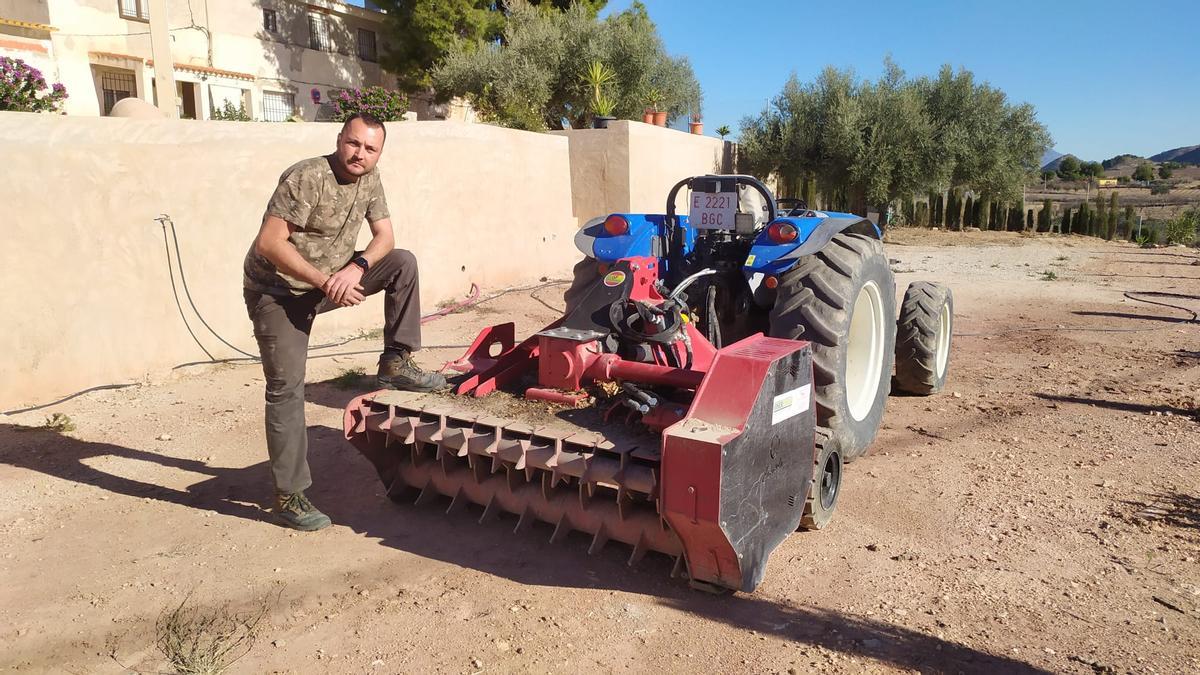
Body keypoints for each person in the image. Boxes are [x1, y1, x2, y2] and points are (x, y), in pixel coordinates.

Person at [242, 113, 446, 532]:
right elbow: (269, 242)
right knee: (286, 389)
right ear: (340, 140)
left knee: (401, 262)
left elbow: (384, 237)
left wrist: (358, 266)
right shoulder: (307, 177)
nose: (360, 154)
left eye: (370, 148)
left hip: (328, 282)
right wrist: (324, 281)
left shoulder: (370, 179)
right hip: (278, 293)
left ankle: (395, 361)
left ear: (379, 153)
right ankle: (288, 497)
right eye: (354, 144)